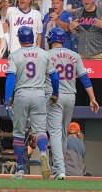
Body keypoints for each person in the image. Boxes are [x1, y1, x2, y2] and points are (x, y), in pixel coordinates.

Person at [5, 26, 59, 179]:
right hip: (39, 93)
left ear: (19, 38)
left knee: (18, 134)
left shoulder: (15, 55)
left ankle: (20, 169)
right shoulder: (44, 54)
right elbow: (54, 78)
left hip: (22, 93)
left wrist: (8, 99)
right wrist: (55, 93)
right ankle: (42, 153)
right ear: (33, 37)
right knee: (41, 130)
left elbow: (10, 78)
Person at [45, 27, 99, 180]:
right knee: (62, 133)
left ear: (50, 39)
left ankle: (60, 169)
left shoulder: (47, 55)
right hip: (70, 96)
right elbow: (84, 78)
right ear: (63, 40)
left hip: (54, 96)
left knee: (55, 133)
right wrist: (92, 98)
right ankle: (59, 168)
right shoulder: (74, 55)